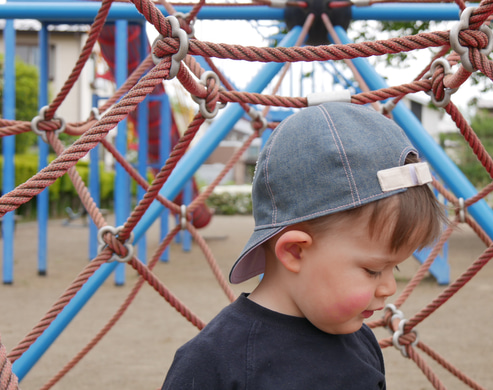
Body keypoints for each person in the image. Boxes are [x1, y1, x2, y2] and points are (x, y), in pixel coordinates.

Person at [161, 102, 446, 389]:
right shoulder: (213, 364)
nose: (389, 288)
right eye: (373, 270)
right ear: (295, 251)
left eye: (393, 267)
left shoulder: (360, 341)